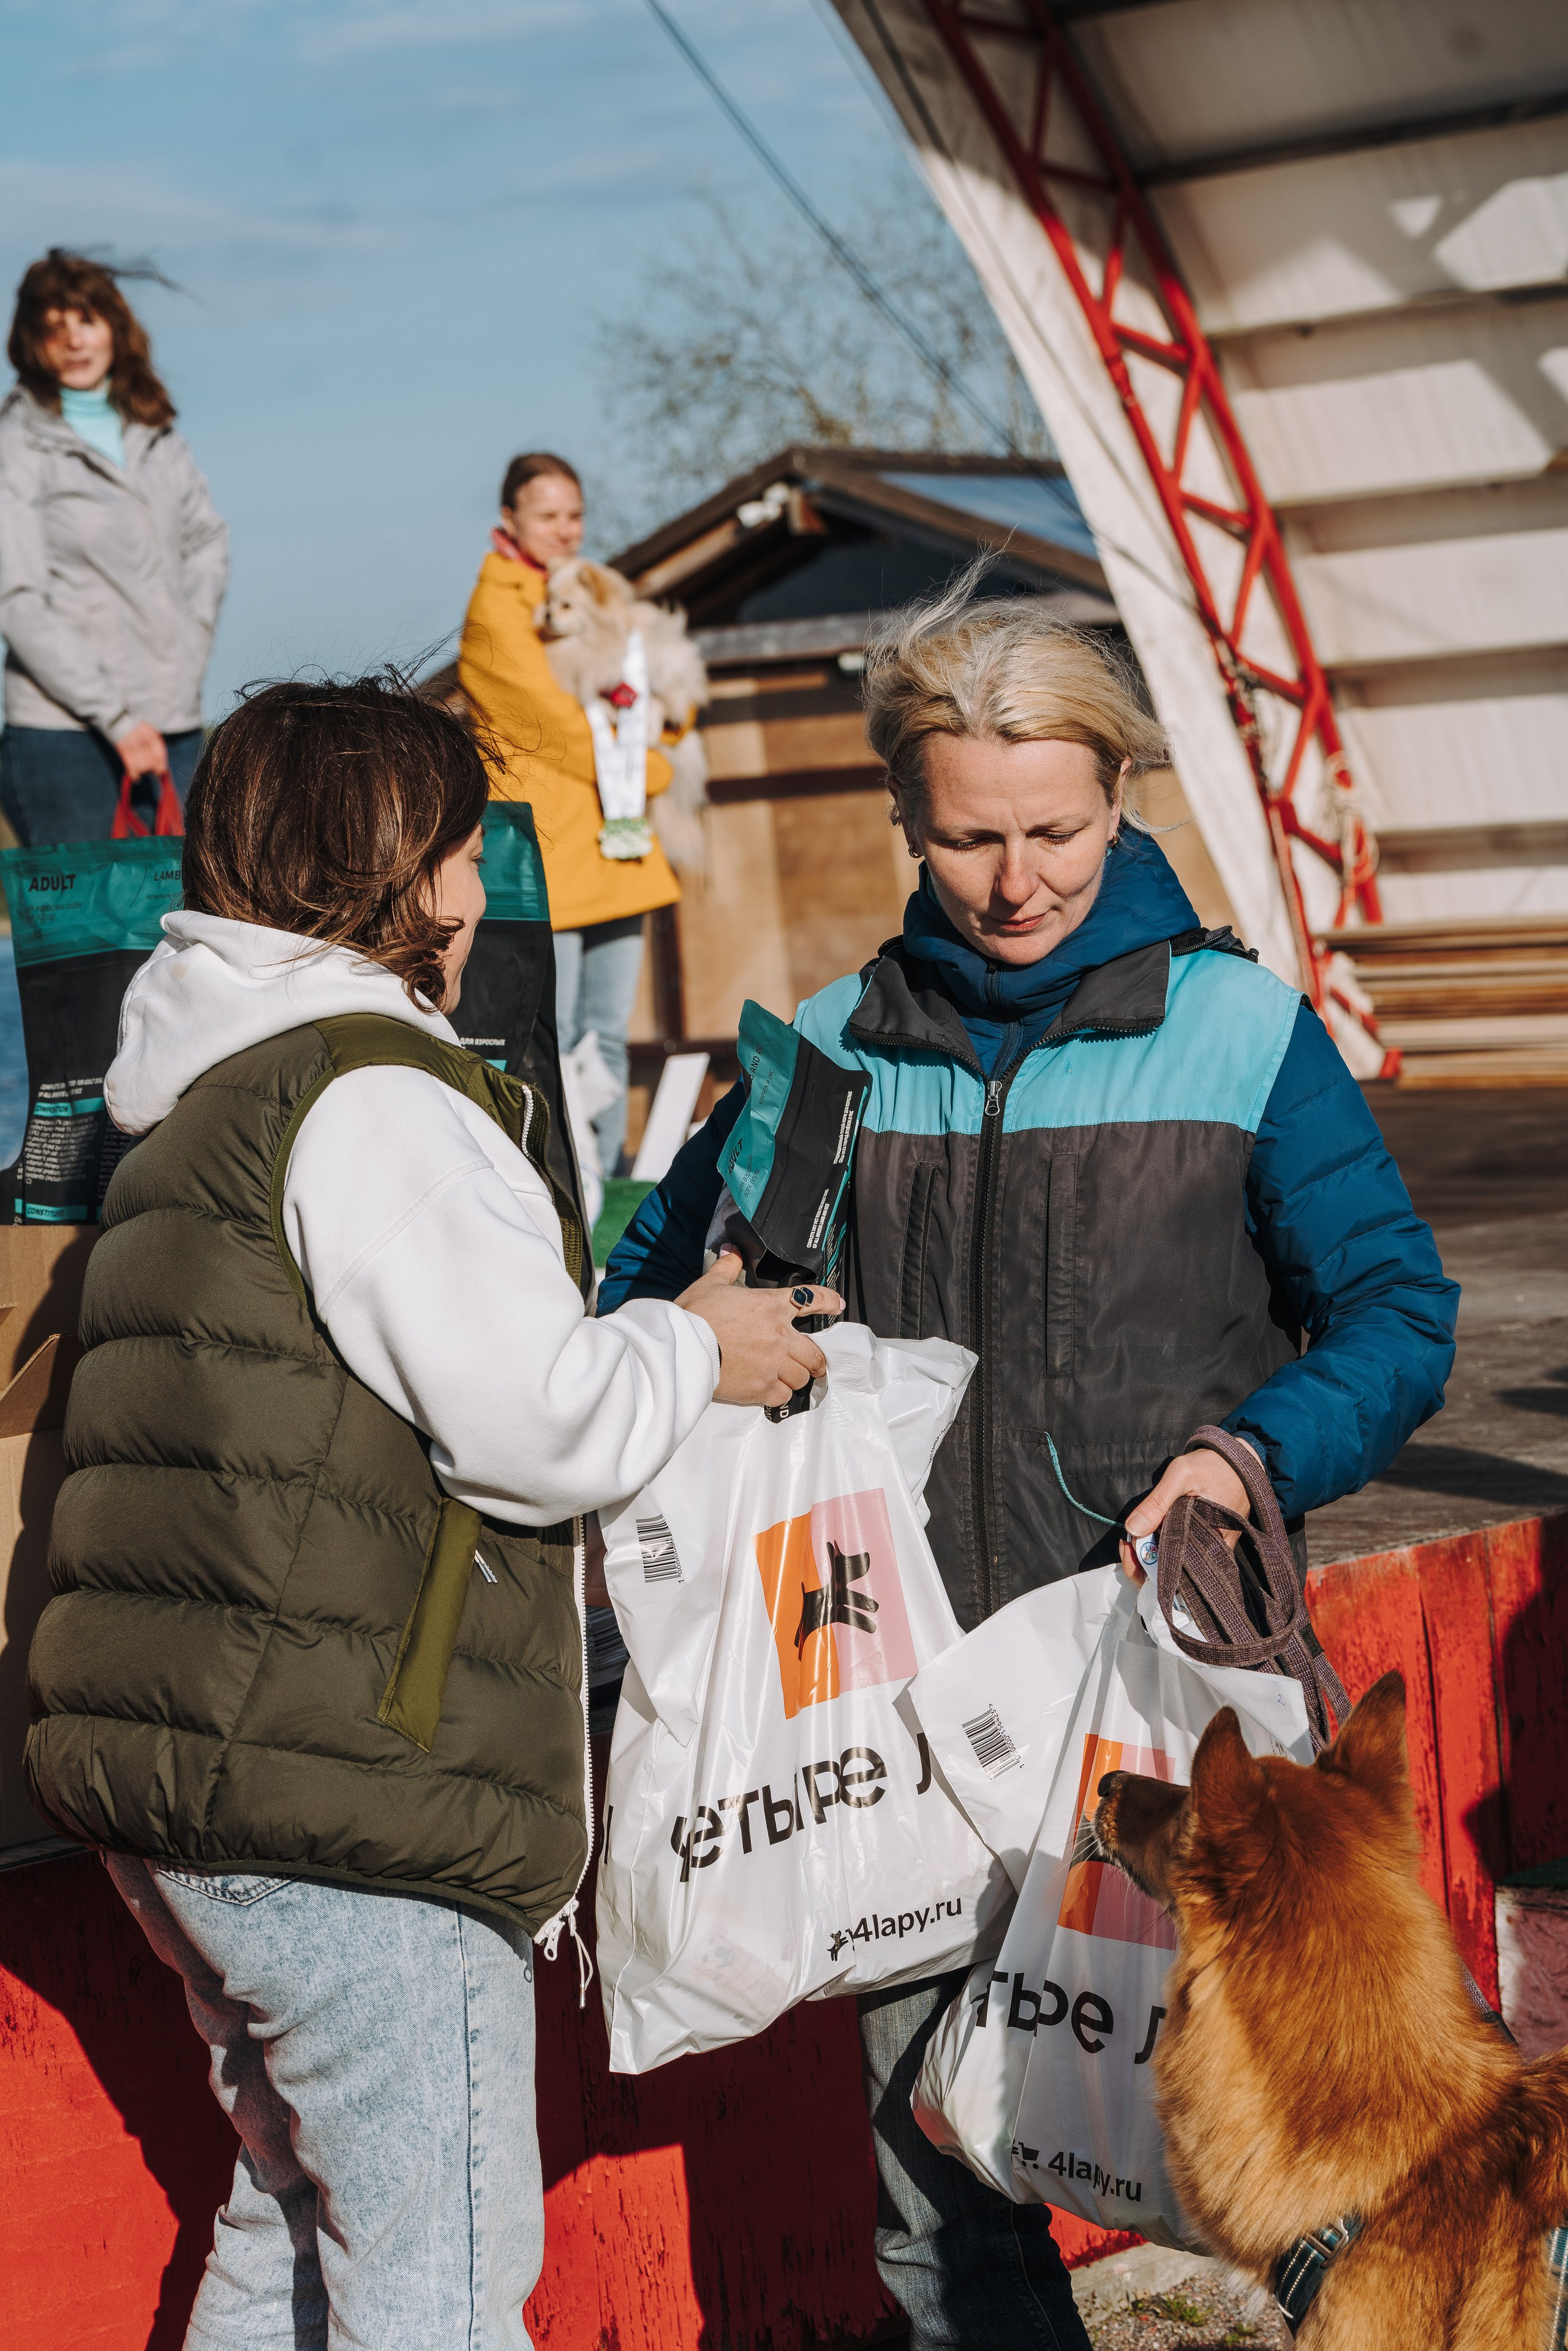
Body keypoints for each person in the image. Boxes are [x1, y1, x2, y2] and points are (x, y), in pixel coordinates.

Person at [598, 579, 1460, 2351]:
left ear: (1122, 796)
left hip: (1161, 1723)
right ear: (905, 819)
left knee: (1308, 2194)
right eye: (969, 836)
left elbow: (1396, 1309)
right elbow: (651, 1310)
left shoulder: (1243, 1032)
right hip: (894, 1723)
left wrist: (1247, 1454)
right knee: (939, 2198)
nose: (1016, 881)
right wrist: (734, 1328)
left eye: (1056, 829)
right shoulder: (823, 1051)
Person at [23, 673, 837, 2350]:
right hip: (351, 1801)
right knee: (444, 2271)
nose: (475, 893)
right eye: (462, 852)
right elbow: (537, 1425)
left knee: (296, 2215)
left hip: (189, 1781)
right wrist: (696, 1342)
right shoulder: (380, 1093)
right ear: (415, 871)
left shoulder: (192, 1085)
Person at [458, 450, 679, 1174]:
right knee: (556, 1032)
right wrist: (647, 764)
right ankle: (562, 1182)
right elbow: (543, 723)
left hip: (614, 838)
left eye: (575, 514)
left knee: (606, 1033)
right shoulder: (497, 604)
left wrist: (667, 721)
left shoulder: (590, 589)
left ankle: (607, 1183)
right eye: (547, 514)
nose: (564, 528)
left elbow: (640, 683)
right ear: (510, 519)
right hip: (553, 844)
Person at [0, 249, 228, 844]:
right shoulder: (16, 445)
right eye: (55, 326)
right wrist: (116, 717)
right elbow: (17, 600)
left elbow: (206, 540)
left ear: (114, 329)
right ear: (31, 341)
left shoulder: (156, 432)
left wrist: (189, 643)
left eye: (87, 320)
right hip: (65, 735)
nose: (74, 340)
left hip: (173, 722)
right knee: (91, 935)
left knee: (191, 921)